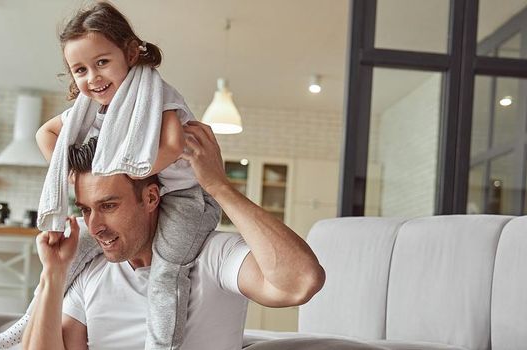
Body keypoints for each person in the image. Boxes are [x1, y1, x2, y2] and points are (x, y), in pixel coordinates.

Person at [0, 3, 218, 349]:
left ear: (129, 52)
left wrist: (120, 173)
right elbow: (44, 135)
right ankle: (26, 321)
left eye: (102, 63)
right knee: (71, 258)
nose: (92, 78)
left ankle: (160, 344)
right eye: (79, 70)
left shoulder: (157, 96)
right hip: (133, 198)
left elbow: (171, 146)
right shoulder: (92, 111)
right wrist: (75, 178)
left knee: (168, 272)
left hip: (184, 199)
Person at [24, 121, 325, 349]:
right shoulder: (92, 269)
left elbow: (300, 283)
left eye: (109, 206)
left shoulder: (213, 255)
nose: (95, 224)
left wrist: (219, 187)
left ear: (151, 198)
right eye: (86, 209)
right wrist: (53, 274)